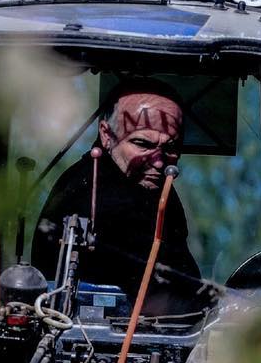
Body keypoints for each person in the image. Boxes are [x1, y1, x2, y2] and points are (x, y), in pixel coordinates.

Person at [31, 80, 213, 316]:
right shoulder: (86, 190)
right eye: (142, 144)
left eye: (171, 148)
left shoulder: (155, 187)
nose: (159, 162)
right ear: (106, 135)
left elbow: (184, 283)